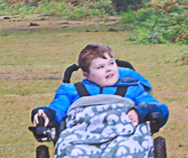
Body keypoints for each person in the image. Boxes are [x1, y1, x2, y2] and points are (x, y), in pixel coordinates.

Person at [31, 43, 169, 133]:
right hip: (82, 142)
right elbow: (58, 108)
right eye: (100, 67)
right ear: (87, 75)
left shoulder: (132, 89)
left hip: (124, 140)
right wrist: (46, 114)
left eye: (111, 63)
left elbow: (160, 109)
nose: (108, 69)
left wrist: (140, 112)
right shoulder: (72, 91)